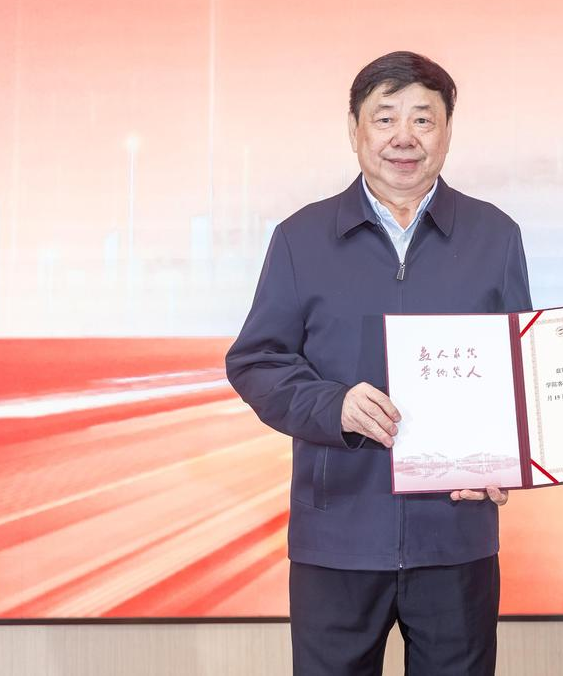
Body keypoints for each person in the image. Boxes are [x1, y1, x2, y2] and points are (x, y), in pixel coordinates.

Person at [227, 51, 530, 676]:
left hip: (455, 535)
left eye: (423, 119)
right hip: (336, 534)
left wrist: (508, 462)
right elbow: (256, 361)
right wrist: (332, 405)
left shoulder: (495, 236)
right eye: (385, 117)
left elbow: (519, 372)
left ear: (448, 130)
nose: (404, 137)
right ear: (354, 129)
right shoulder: (300, 238)